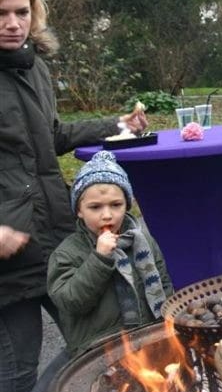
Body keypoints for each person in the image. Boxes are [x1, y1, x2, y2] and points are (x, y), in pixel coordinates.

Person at [0, 0, 148, 392]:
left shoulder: (34, 68)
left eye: (22, 12)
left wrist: (115, 125)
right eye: (1, 13)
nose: (13, 23)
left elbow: (52, 135)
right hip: (9, 250)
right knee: (18, 366)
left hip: (53, 236)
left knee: (90, 344)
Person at [48, 150, 173, 359]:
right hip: (99, 349)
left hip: (148, 337)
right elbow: (71, 303)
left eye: (116, 205)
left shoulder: (141, 240)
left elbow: (163, 282)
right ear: (79, 210)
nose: (107, 215)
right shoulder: (66, 254)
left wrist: (167, 322)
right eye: (95, 207)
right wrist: (100, 259)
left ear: (127, 204)